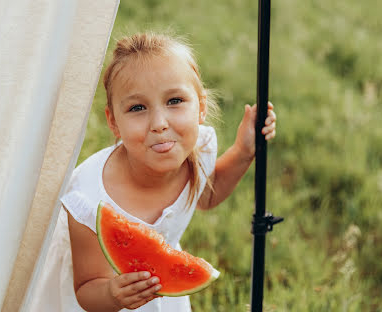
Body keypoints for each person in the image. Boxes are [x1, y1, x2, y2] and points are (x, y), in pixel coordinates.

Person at [29, 32, 277, 312]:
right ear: (113, 122)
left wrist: (243, 152)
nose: (159, 123)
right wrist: (112, 294)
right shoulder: (87, 197)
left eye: (174, 101)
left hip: (159, 288)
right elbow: (86, 287)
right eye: (138, 108)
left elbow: (207, 196)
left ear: (201, 107)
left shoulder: (198, 149)